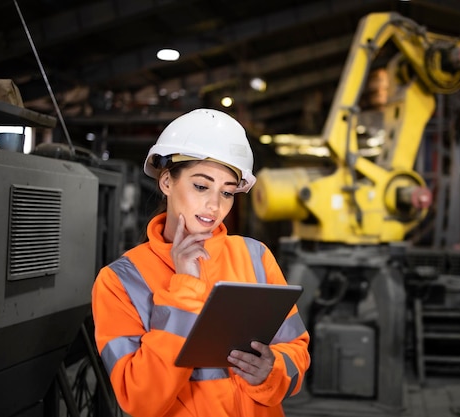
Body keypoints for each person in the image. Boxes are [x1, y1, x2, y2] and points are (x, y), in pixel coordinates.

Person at [91, 108, 310, 417]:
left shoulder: (255, 256)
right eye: (201, 186)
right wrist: (185, 288)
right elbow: (140, 400)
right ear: (167, 181)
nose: (214, 205)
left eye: (227, 192)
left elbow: (296, 352)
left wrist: (270, 372)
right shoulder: (120, 282)